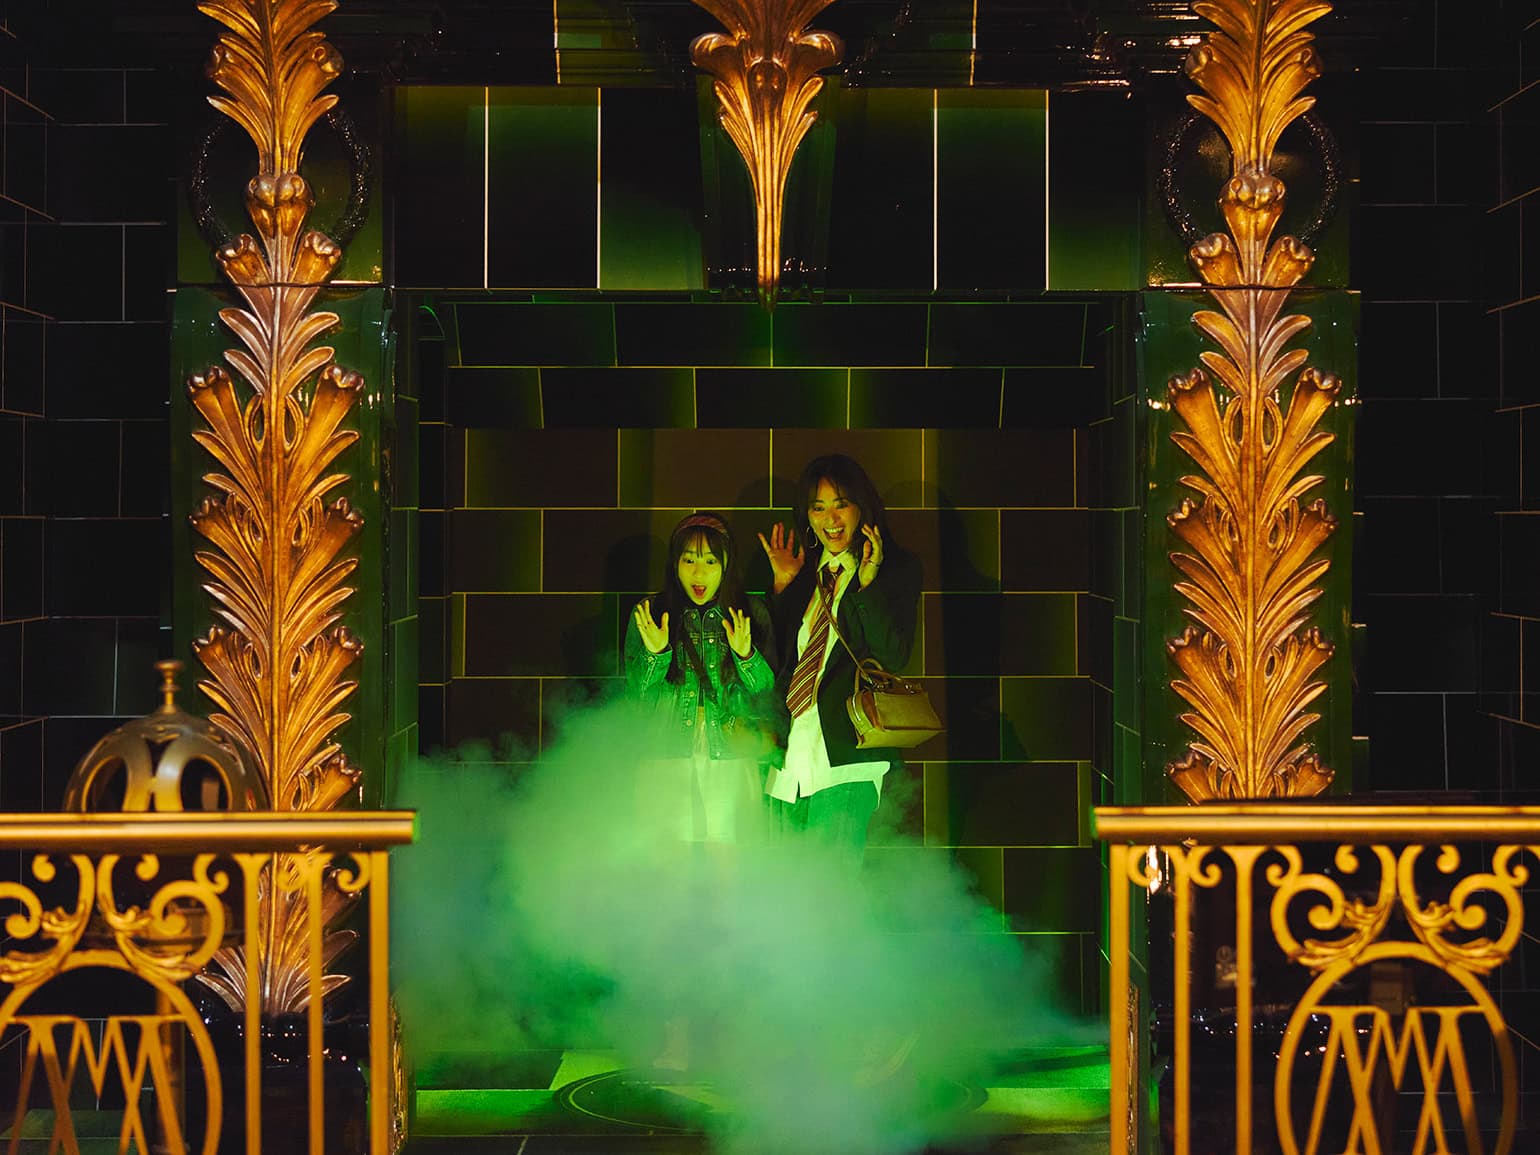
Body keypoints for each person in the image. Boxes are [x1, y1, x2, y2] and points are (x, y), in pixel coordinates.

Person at [758, 454, 922, 867]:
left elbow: (894, 656)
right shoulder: (808, 574)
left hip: (847, 758)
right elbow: (783, 662)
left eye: (840, 504)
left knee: (830, 891)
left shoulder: (894, 569)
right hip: (792, 759)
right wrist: (783, 588)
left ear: (861, 507)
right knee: (786, 890)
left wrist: (867, 585)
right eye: (818, 507)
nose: (830, 519)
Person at [625, 511, 778, 847]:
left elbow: (767, 694)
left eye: (710, 561)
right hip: (666, 746)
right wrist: (656, 654)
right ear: (675, 563)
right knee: (667, 849)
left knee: (728, 848)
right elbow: (637, 696)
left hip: (731, 747)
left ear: (726, 564)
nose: (698, 572)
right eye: (689, 560)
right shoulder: (651, 612)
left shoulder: (751, 611)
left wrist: (745, 656)